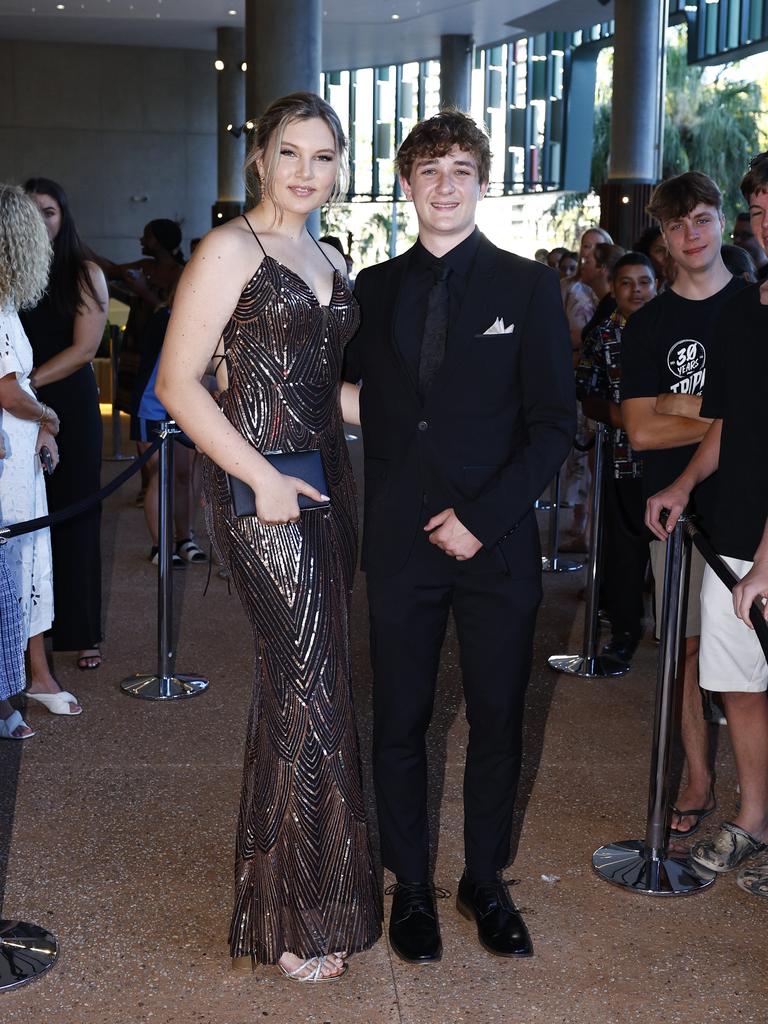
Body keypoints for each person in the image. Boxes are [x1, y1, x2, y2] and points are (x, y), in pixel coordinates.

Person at [155, 92, 381, 980]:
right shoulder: (228, 250)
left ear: (339, 167)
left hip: (328, 486)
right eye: (290, 154)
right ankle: (296, 912)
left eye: (323, 157)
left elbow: (328, 398)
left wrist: (425, 417)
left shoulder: (326, 253)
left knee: (305, 687)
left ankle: (285, 889)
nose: (305, 173)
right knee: (311, 692)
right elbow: (179, 384)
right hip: (265, 498)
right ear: (259, 158)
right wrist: (257, 476)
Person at [343, 109, 575, 963]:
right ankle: (410, 885)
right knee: (399, 719)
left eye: (461, 171)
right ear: (406, 185)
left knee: (499, 718)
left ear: (483, 184)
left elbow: (554, 424)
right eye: (429, 170)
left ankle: (484, 877)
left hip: (499, 543)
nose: (445, 185)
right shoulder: (371, 287)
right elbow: (345, 392)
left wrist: (484, 517)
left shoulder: (524, 287)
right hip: (401, 543)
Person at [646, 152, 768, 899]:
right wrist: (685, 485)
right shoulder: (748, 308)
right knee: (740, 686)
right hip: (729, 532)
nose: (767, 220)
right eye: (761, 208)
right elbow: (731, 419)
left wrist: (766, 559)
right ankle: (755, 816)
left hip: (761, 551)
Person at [621, 170, 748, 838]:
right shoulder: (649, 324)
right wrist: (734, 416)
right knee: (687, 652)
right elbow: (640, 428)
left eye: (701, 219)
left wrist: (683, 406)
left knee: (742, 652)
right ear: (663, 239)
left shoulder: (755, 305)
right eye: (676, 225)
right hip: (676, 511)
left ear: (723, 221)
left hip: (752, 505)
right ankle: (697, 776)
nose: (690, 235)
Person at [0, 184, 82, 719]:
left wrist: (43, 430)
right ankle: (12, 694)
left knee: (24, 570)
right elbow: (8, 389)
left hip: (19, 454)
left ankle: (30, 680)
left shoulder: (6, 302)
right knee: (13, 571)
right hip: (7, 462)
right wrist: (48, 417)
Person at [22, 178, 108, 671]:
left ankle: (81, 631)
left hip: (68, 403)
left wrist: (25, 382)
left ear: (64, 216)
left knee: (75, 515)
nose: (40, 220)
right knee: (25, 519)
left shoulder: (83, 272)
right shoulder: (10, 272)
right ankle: (33, 632)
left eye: (49, 211)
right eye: (31, 211)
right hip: (15, 404)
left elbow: (84, 349)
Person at [576, 252, 657, 664]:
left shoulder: (672, 327)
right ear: (613, 287)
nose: (636, 290)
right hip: (623, 460)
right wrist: (626, 418)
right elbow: (585, 392)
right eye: (627, 283)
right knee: (624, 552)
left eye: (644, 282)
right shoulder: (604, 334)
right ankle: (625, 631)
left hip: (674, 462)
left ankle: (676, 630)